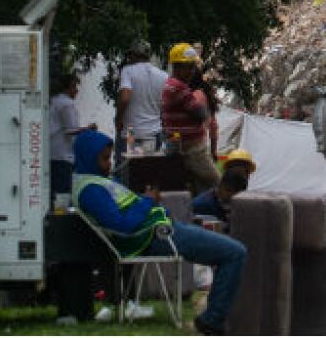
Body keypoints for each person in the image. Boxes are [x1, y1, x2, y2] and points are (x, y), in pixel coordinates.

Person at [72, 129, 244, 336]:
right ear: (87, 156)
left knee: (231, 252)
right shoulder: (91, 191)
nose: (109, 164)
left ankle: (214, 317)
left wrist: (145, 200)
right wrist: (147, 201)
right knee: (235, 253)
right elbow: (123, 224)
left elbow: (123, 212)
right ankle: (213, 321)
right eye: (104, 158)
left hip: (157, 231)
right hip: (154, 237)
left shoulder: (93, 181)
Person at [161, 43, 220, 194]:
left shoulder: (170, 85)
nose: (192, 71)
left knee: (195, 190)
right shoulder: (179, 88)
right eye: (189, 67)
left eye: (193, 67)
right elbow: (201, 113)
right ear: (178, 67)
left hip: (180, 146)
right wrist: (203, 113)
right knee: (218, 184)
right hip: (192, 150)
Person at [116, 41, 168, 167]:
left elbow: (124, 98)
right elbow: (165, 105)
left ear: (134, 55)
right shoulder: (163, 75)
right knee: (147, 173)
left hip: (131, 133)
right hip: (154, 132)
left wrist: (118, 119)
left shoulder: (128, 71)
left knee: (128, 173)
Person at [48, 73, 86, 199]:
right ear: (68, 88)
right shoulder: (67, 104)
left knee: (53, 189)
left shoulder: (54, 100)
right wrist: (88, 129)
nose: (76, 91)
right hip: (63, 154)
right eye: (74, 87)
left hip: (52, 151)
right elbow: (71, 129)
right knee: (62, 192)